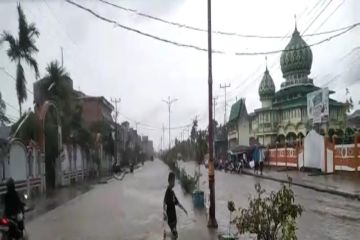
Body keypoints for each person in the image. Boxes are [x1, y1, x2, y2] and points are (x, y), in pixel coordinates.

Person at [163, 172, 187, 239]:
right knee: (175, 235)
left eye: (174, 181)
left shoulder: (172, 192)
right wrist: (164, 213)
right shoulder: (167, 192)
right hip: (170, 218)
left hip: (174, 217)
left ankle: (167, 234)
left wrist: (184, 209)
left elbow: (177, 202)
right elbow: (164, 203)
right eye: (172, 181)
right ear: (169, 181)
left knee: (174, 235)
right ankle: (166, 234)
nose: (173, 183)